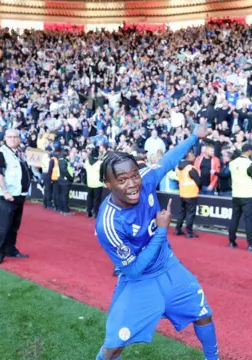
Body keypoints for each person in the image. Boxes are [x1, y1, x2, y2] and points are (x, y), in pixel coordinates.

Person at [94, 124, 219, 360]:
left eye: (134, 175)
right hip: (140, 281)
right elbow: (133, 269)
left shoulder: (146, 179)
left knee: (203, 314)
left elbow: (170, 160)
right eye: (122, 180)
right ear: (108, 184)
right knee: (114, 345)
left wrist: (194, 136)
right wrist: (161, 231)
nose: (132, 184)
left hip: (170, 267)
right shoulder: (108, 224)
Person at [0, 129, 31, 265]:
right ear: (5, 138)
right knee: (4, 227)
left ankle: (10, 249)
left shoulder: (20, 153)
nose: (13, 139)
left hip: (19, 195)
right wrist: (5, 191)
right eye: (10, 137)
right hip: (4, 196)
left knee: (14, 226)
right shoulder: (0, 152)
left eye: (16, 137)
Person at [228, 143, 252, 251]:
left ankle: (232, 241)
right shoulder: (250, 164)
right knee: (249, 221)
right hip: (248, 195)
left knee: (235, 218)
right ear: (249, 151)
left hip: (236, 194)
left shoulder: (232, 163)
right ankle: (251, 244)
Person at [175, 150, 201, 238]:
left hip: (182, 193)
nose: (194, 157)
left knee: (182, 212)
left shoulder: (178, 167)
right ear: (188, 157)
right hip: (191, 193)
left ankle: (178, 229)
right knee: (190, 213)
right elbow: (198, 181)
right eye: (193, 155)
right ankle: (189, 232)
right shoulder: (190, 168)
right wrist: (199, 188)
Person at [84, 151, 104, 218]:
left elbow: (85, 170)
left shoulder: (87, 162)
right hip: (98, 184)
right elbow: (102, 173)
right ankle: (95, 212)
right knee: (96, 199)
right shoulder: (100, 163)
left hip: (89, 183)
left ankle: (88, 211)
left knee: (89, 198)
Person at [56, 148, 75, 215]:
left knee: (62, 195)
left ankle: (62, 208)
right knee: (64, 195)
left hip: (62, 180)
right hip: (65, 180)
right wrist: (70, 178)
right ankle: (65, 210)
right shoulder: (63, 160)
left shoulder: (63, 159)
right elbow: (64, 171)